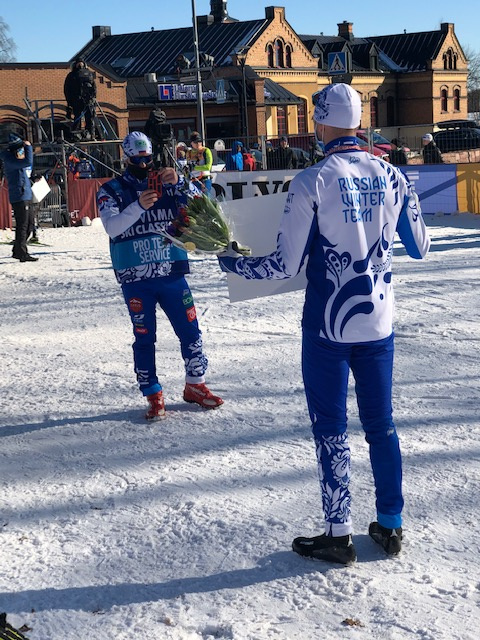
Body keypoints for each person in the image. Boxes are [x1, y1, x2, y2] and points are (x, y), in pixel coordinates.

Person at [218, 83, 430, 564]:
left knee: (331, 429)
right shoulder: (393, 174)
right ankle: (391, 524)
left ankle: (339, 534)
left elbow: (284, 265)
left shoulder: (312, 180)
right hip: (379, 323)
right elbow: (421, 246)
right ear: (360, 122)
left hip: (328, 327)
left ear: (319, 122)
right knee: (381, 425)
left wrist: (232, 262)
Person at [96, 131, 223, 421]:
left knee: (190, 330)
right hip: (135, 276)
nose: (144, 165)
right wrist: (138, 206)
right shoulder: (111, 189)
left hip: (171, 271)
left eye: (148, 159)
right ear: (126, 158)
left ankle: (196, 384)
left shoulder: (167, 182)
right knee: (144, 336)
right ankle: (152, 392)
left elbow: (204, 204)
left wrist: (180, 182)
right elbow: (112, 227)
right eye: (137, 160)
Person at [0, 134, 38, 262]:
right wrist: (28, 147)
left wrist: (32, 179)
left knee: (29, 225)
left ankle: (17, 250)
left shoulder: (15, 160)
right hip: (19, 196)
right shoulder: (9, 160)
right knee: (22, 225)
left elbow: (22, 174)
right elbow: (27, 162)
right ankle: (22, 252)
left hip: (25, 194)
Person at [64, 58, 97, 140]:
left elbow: (67, 90)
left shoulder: (74, 75)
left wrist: (69, 102)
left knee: (85, 117)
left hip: (83, 100)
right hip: (82, 100)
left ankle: (84, 134)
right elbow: (94, 87)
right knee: (83, 117)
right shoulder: (87, 74)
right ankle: (84, 134)